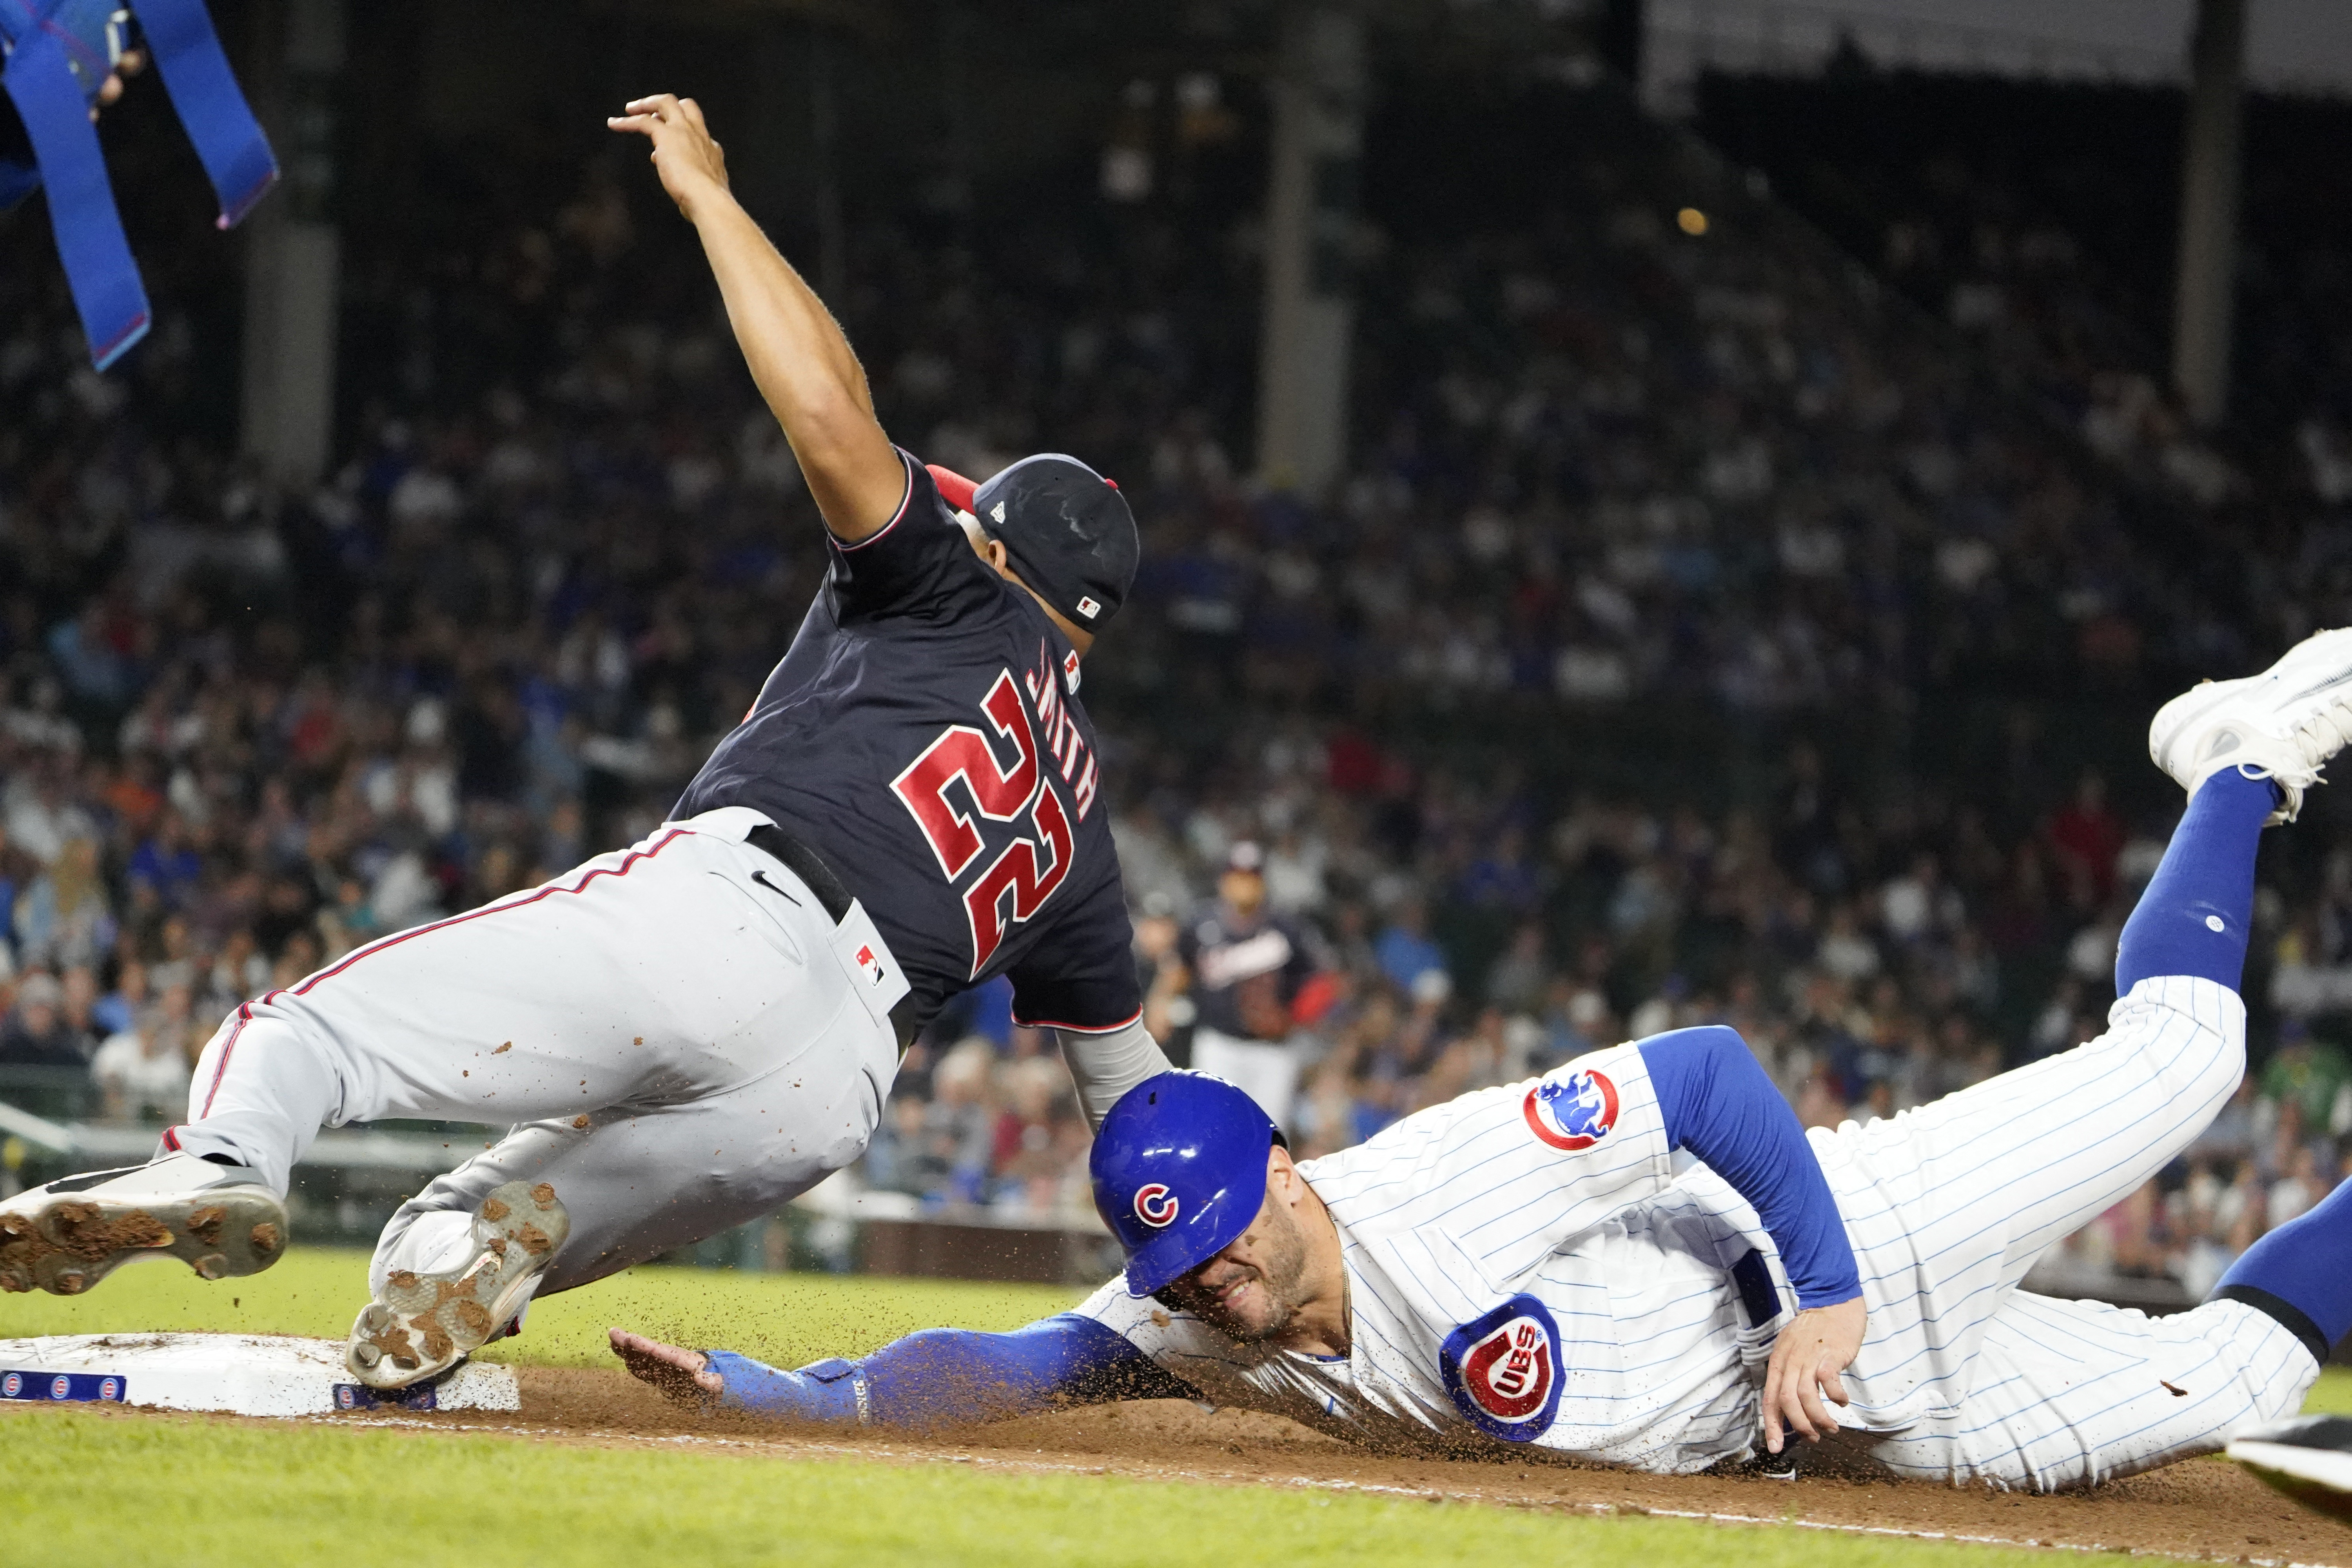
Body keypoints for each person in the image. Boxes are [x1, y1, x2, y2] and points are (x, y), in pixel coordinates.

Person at [0, 91, 1170, 1395]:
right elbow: (1133, 1095)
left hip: (739, 918)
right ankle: (467, 1263)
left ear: (996, 553)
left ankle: (213, 1162)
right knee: (435, 1241)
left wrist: (714, 201)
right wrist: (1212, 1270)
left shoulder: (948, 591)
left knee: (304, 1035)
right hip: (829, 1092)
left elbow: (835, 421)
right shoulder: (1085, 822)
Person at [615, 630, 2352, 1490]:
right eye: (1178, 1261)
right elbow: (994, 1360)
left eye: (1223, 1227)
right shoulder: (1176, 1306)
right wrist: (788, 1394)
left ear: (1285, 1165)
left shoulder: (1435, 1179)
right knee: (2249, 1374)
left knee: (2188, 1053)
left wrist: (1825, 1281)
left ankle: (2229, 757)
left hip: (1841, 1256)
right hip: (1822, 1421)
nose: (1208, 1277)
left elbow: (1708, 1067)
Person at [1180, 841, 1328, 1130]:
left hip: (1272, 1051)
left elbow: (1319, 983)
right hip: (1218, 1043)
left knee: (1269, 1135)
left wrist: (1293, 1018)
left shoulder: (1286, 927)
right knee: (1211, 1128)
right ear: (1224, 879)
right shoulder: (1201, 923)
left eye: (1252, 875)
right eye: (1238, 875)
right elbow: (1181, 968)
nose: (1245, 882)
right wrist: (1161, 1002)